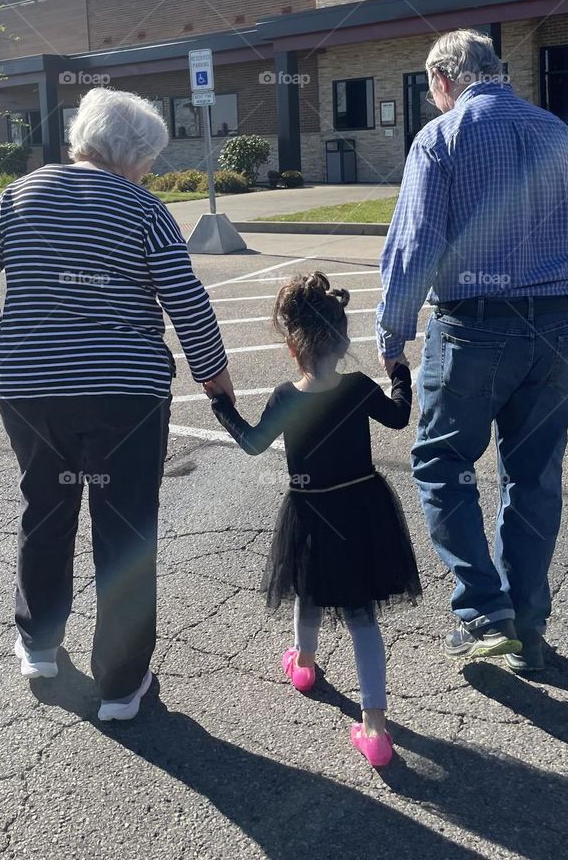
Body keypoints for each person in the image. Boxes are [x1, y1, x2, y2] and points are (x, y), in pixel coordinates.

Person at [0, 87, 233, 720]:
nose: (150, 170)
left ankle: (39, 644)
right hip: (123, 392)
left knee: (45, 507)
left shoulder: (23, 193)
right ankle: (120, 685)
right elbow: (186, 300)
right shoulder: (143, 207)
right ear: (132, 154)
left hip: (30, 390)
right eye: (149, 158)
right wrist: (215, 377)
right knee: (125, 529)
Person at [377, 29, 568, 673]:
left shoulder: (442, 139)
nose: (432, 100)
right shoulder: (556, 133)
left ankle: (483, 609)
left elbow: (415, 245)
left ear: (445, 79)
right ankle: (527, 615)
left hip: (475, 325)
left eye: (430, 88)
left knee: (442, 462)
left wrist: (393, 336)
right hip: (560, 325)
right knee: (533, 474)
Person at [208, 272, 421, 767]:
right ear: (343, 341)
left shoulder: (286, 397)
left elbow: (254, 442)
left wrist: (222, 406)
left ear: (291, 347)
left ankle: (303, 664)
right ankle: (375, 728)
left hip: (311, 510)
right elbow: (398, 416)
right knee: (361, 615)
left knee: (309, 586)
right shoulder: (356, 388)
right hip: (363, 507)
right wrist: (399, 371)